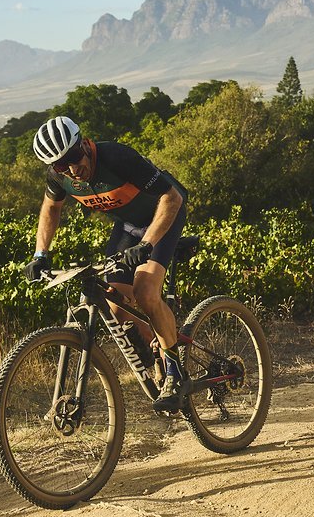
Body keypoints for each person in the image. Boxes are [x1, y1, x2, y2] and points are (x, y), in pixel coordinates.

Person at [23, 116, 190, 413]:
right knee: (113, 302)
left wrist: (147, 244)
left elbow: (171, 197)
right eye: (61, 165)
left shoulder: (117, 157)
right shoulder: (59, 177)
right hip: (128, 226)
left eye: (73, 157)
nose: (72, 168)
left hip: (163, 216)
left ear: (84, 144)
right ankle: (158, 350)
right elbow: (51, 208)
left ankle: (175, 373)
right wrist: (40, 254)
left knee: (145, 291)